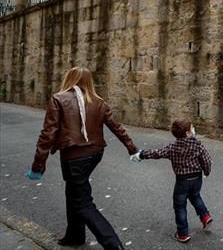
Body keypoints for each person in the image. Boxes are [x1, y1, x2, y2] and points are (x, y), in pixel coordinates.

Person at [25, 67, 139, 250]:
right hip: (95, 154)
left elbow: (48, 134)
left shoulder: (59, 98)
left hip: (74, 158)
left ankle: (113, 245)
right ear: (89, 81)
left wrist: (38, 166)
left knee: (82, 201)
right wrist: (132, 149)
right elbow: (116, 127)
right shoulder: (99, 102)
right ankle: (75, 235)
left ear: (69, 78)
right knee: (74, 192)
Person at [131, 119, 212, 243]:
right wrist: (206, 172)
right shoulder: (198, 145)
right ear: (187, 134)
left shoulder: (172, 147)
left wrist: (141, 155)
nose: (194, 129)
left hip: (182, 181)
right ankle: (205, 216)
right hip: (196, 178)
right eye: (192, 128)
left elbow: (157, 153)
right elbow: (206, 160)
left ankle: (183, 233)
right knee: (195, 196)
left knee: (180, 206)